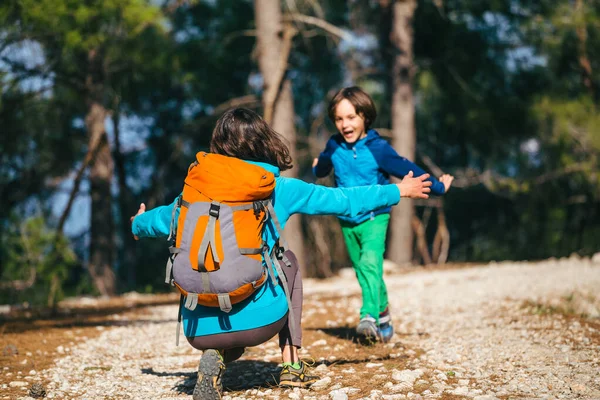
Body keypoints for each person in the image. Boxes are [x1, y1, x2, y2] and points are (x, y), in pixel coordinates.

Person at [131, 107, 433, 399]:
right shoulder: (276, 188)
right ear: (263, 141)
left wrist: (137, 223)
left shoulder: (192, 193)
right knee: (286, 262)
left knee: (214, 268)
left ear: (218, 146)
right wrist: (397, 191)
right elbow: (342, 199)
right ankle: (292, 366)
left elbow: (154, 221)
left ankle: (216, 354)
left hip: (199, 331)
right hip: (261, 323)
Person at [312, 86, 454, 344]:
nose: (345, 125)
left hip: (375, 217)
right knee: (365, 271)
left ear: (365, 116)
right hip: (347, 219)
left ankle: (369, 317)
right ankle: (384, 312)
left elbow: (407, 168)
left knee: (369, 263)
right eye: (339, 119)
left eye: (352, 117)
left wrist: (439, 186)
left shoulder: (378, 148)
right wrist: (317, 167)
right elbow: (322, 165)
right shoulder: (334, 145)